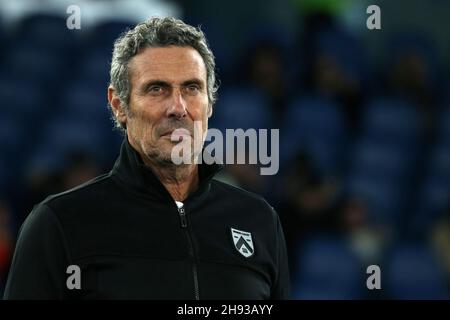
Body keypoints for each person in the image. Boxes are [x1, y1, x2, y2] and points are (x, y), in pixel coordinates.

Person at [4, 17, 290, 299]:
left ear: (209, 104)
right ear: (119, 105)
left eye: (191, 88)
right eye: (157, 89)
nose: (178, 108)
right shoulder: (59, 223)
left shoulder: (259, 220)